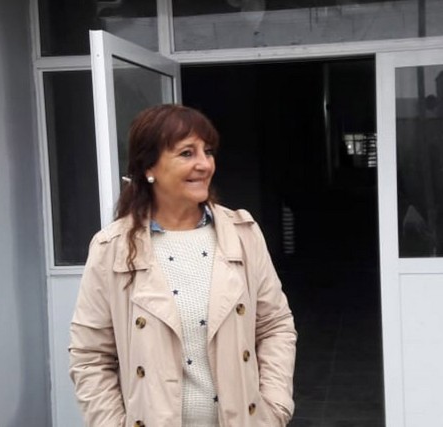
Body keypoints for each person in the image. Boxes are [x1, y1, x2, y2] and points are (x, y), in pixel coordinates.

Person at [69, 104, 297, 427]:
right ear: (149, 167)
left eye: (208, 151)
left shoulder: (242, 235)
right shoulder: (113, 248)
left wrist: (273, 409)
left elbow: (275, 326)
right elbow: (90, 356)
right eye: (187, 153)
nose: (204, 164)